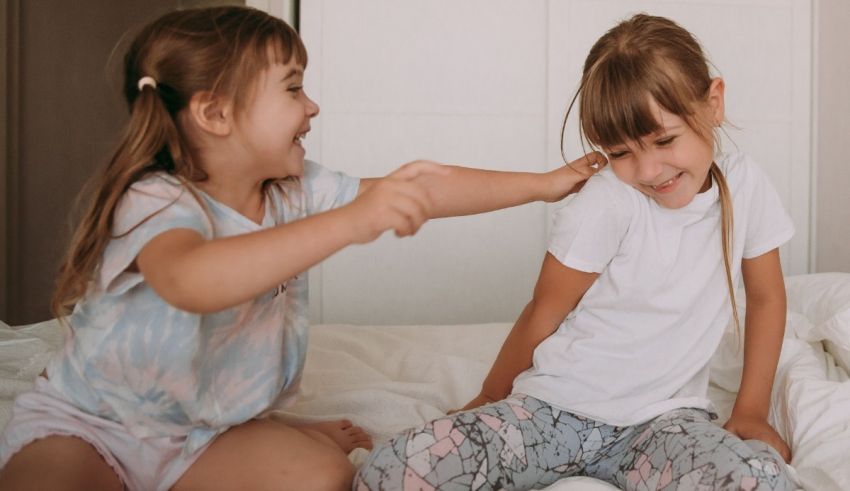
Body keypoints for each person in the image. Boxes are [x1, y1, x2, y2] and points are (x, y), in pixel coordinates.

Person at [0, 6, 604, 491]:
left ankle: (259, 428)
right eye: (293, 89)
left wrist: (543, 185)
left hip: (199, 436)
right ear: (215, 112)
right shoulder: (157, 201)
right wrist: (349, 223)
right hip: (95, 425)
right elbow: (192, 280)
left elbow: (423, 186)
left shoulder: (293, 190)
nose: (312, 106)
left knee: (324, 476)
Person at [355, 13, 796, 491]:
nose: (649, 170)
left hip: (662, 424)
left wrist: (750, 409)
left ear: (713, 103)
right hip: (555, 411)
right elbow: (544, 310)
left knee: (761, 479)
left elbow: (767, 298)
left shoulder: (745, 183)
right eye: (622, 153)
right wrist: (488, 395)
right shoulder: (609, 200)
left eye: (665, 140)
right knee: (392, 470)